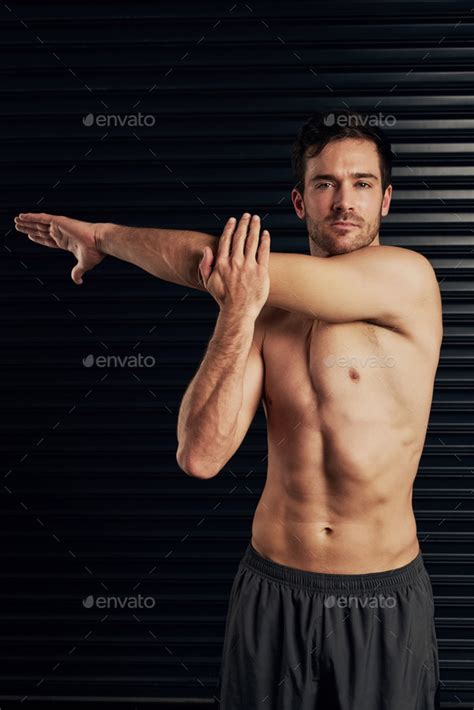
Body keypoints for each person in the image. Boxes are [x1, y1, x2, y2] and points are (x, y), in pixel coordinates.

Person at [14, 110, 442, 709]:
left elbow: (209, 263)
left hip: (379, 598)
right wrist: (238, 314)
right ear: (299, 202)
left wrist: (101, 236)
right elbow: (199, 456)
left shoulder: (407, 280)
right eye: (325, 184)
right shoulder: (262, 313)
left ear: (387, 199)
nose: (344, 200)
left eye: (362, 184)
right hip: (272, 588)